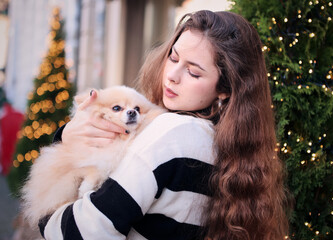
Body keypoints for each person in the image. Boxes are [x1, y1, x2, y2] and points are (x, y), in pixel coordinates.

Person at [39, 10, 288, 240]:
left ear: (224, 90)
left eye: (193, 72)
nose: (172, 75)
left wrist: (46, 212)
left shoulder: (173, 132)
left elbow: (82, 231)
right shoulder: (225, 145)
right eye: (173, 57)